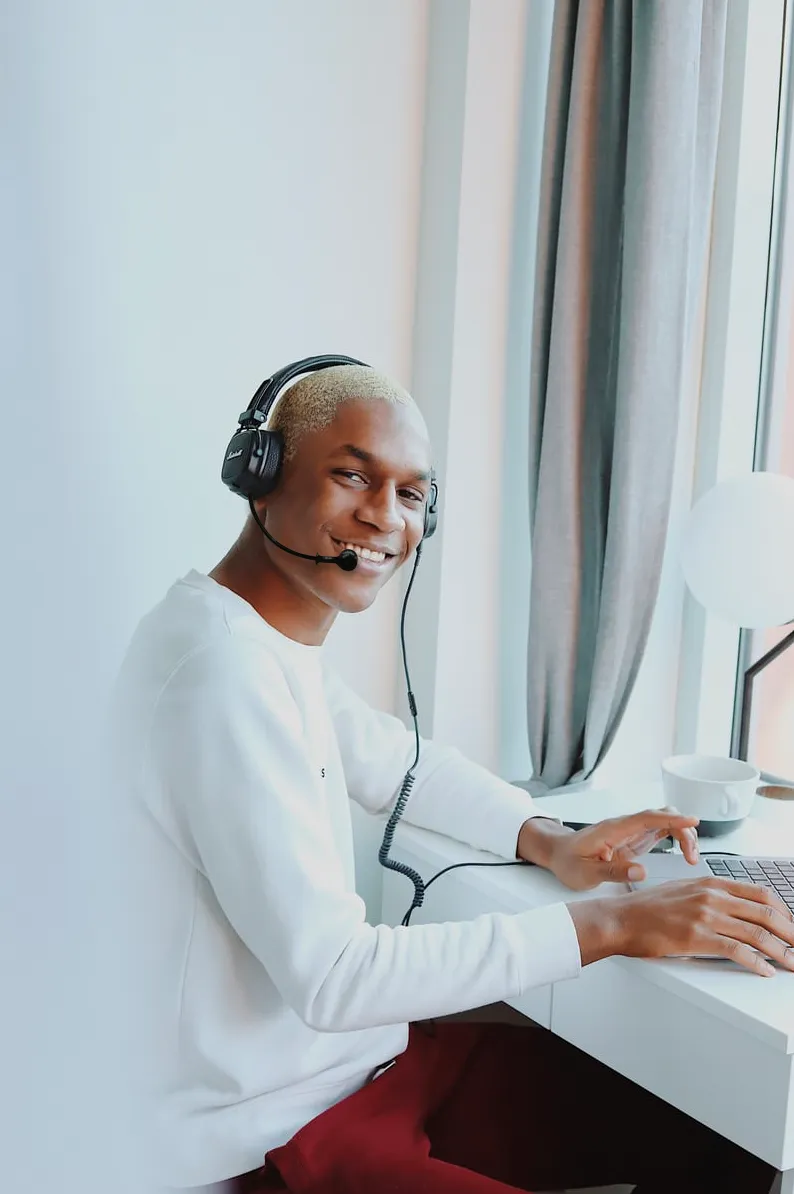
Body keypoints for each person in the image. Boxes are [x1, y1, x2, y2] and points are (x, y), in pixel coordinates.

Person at [111, 361, 790, 1194]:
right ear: (259, 475)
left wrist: (551, 841)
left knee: (714, 1130)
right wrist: (611, 924)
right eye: (352, 474)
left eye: (411, 494)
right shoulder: (218, 675)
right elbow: (334, 976)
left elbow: (396, 762)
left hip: (366, 1074)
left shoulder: (260, 642)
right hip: (268, 1136)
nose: (384, 518)